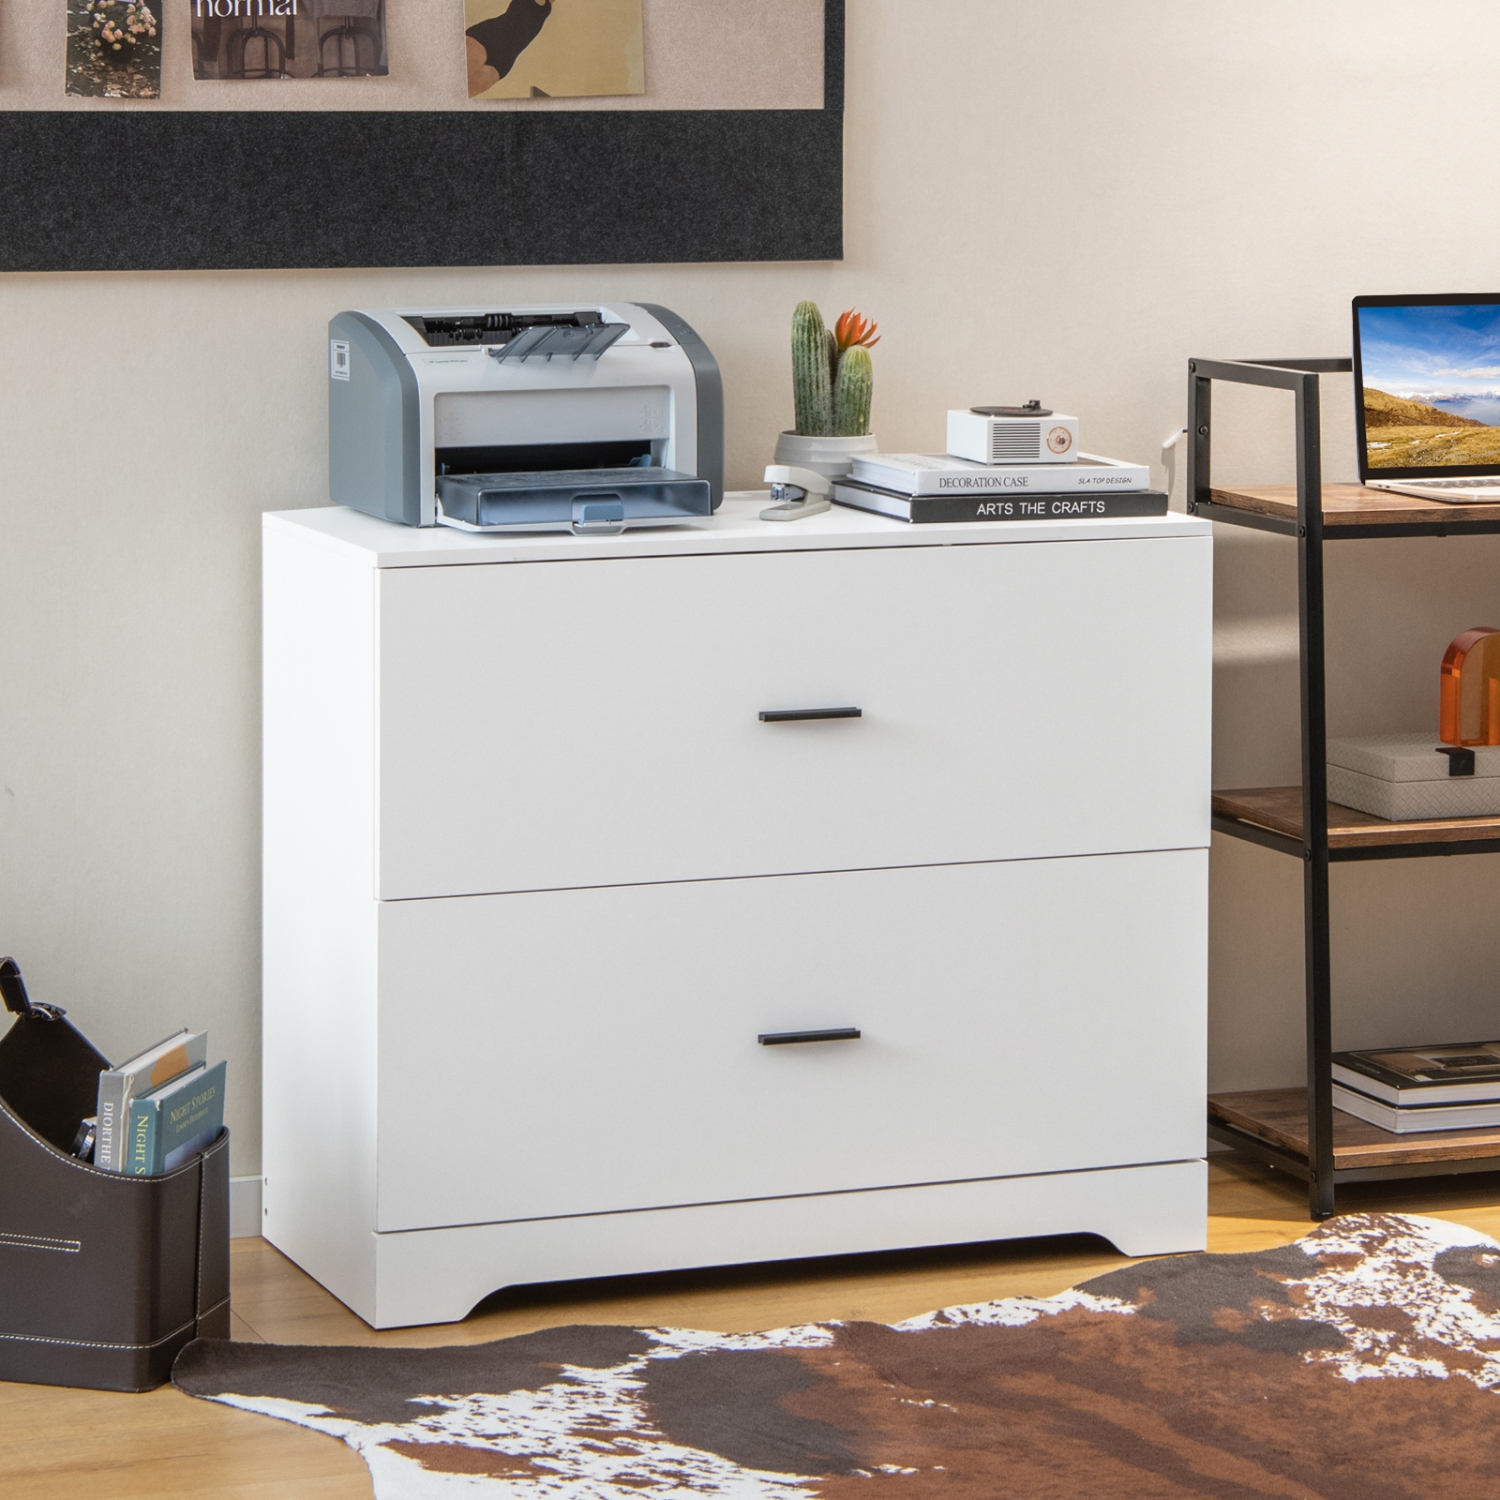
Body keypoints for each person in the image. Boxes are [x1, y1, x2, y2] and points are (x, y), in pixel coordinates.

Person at [466, 0, 553, 97]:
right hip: (488, 38)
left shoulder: (547, 6)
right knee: (453, 80)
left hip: (504, 60)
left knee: (463, 94)